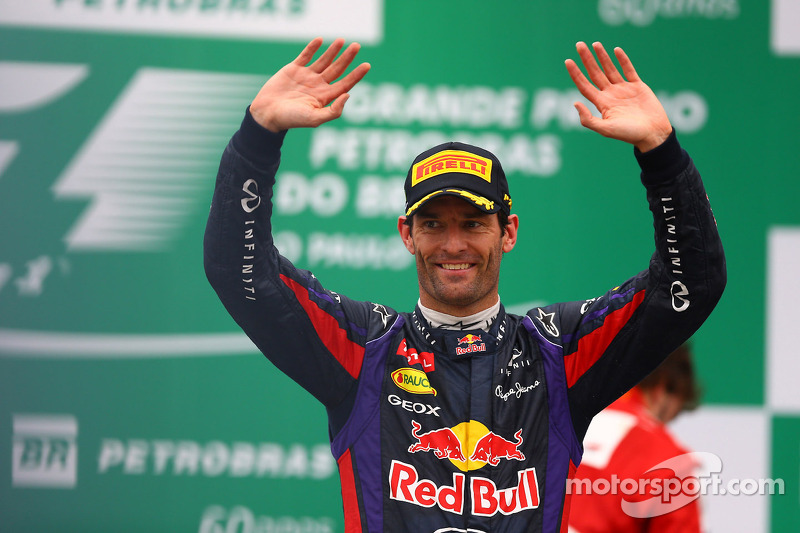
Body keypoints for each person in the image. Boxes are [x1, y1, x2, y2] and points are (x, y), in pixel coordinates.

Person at [203, 38, 726, 533]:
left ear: (509, 232)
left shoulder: (558, 353)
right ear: (407, 234)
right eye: (433, 224)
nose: (453, 244)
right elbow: (242, 273)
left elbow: (688, 288)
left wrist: (662, 156)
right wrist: (258, 139)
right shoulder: (365, 349)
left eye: (473, 223)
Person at [568, 344, 703, 533]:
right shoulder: (669, 461)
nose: (668, 422)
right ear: (663, 387)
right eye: (677, 411)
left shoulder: (564, 417)